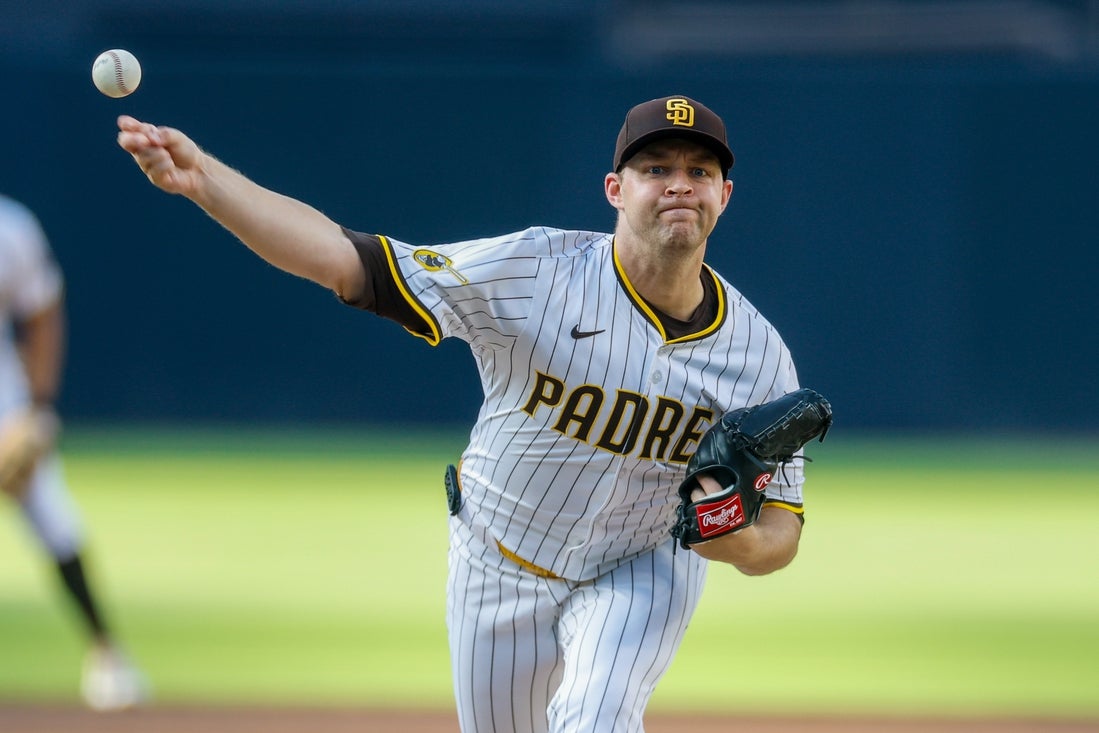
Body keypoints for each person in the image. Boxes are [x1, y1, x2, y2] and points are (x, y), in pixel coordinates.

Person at [117, 94, 809, 732]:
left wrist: (736, 541)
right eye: (655, 168)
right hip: (497, 557)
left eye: (698, 170)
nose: (679, 184)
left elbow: (782, 526)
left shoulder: (757, 354)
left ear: (724, 195)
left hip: (643, 562)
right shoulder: (535, 273)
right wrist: (205, 180)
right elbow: (344, 260)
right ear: (615, 190)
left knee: (595, 717)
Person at [0, 193, 147, 712]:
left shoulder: (9, 228)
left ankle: (108, 656)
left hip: (4, 406)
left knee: (53, 519)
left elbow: (43, 314)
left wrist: (38, 410)